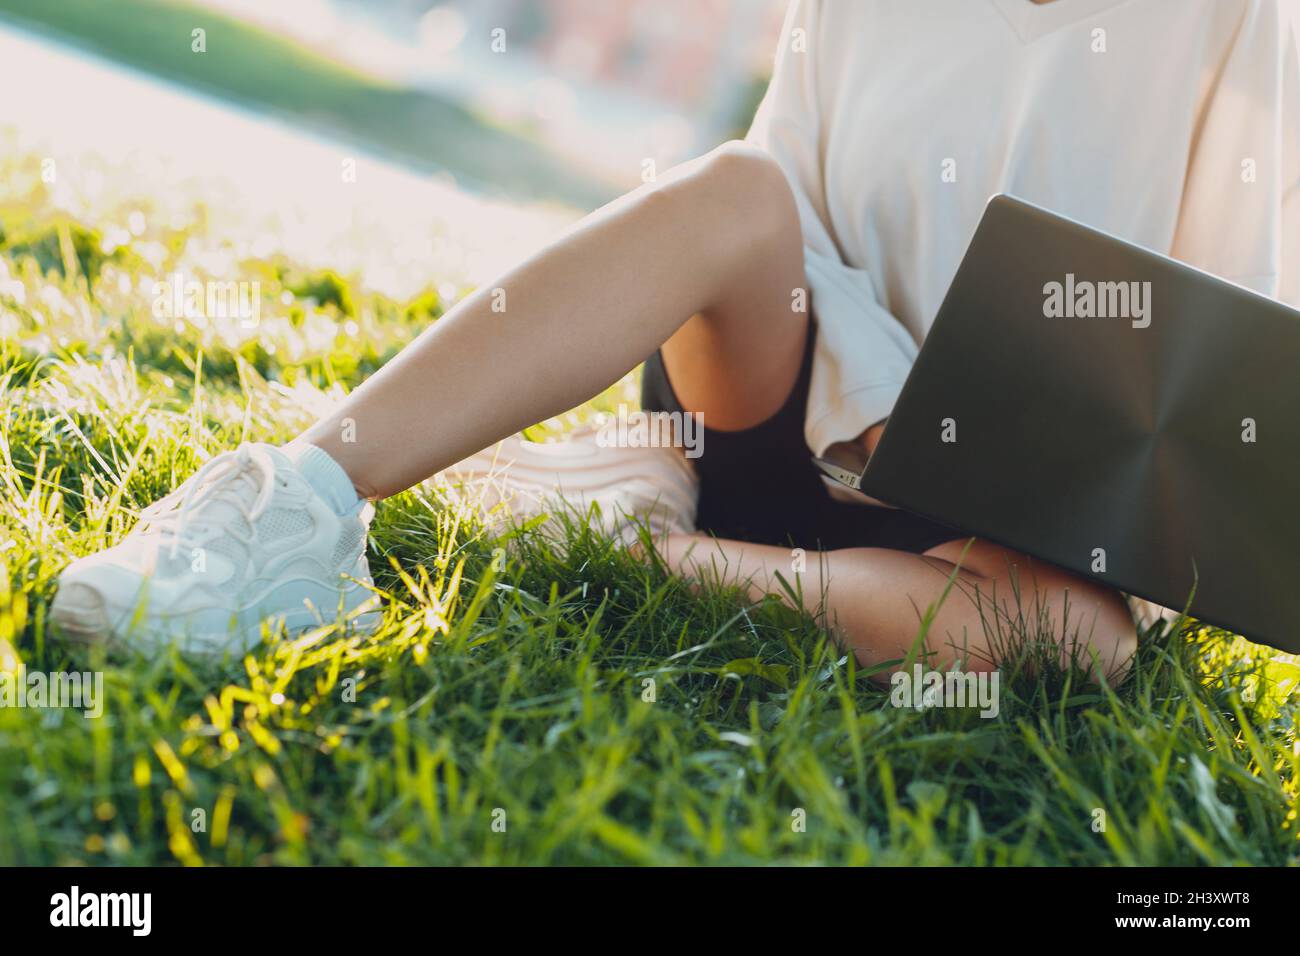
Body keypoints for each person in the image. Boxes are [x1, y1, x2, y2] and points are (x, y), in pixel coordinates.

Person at [52, 0, 1298, 680]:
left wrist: (1038, 483)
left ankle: (646, 543)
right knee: (732, 190)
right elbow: (790, 201)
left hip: (1007, 520)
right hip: (798, 401)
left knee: (1078, 645)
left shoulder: (1239, 27)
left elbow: (1217, 341)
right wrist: (881, 410)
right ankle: (295, 504)